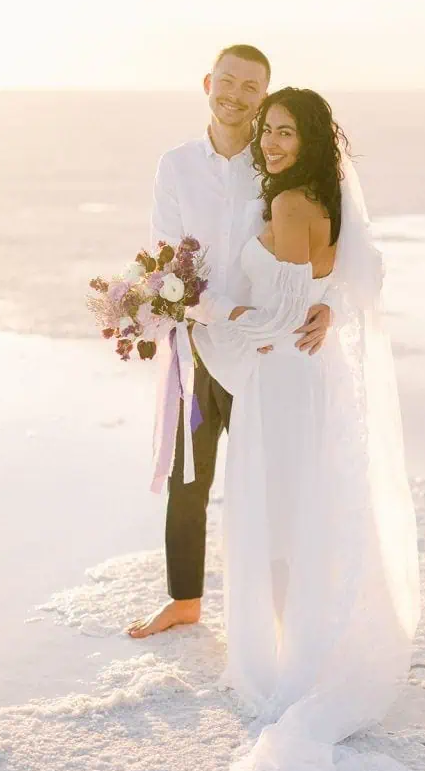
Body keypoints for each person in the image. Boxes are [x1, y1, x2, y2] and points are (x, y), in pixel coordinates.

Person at [190, 88, 421, 771]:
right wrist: (320, 302)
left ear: (312, 139)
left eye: (286, 132)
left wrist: (198, 311)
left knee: (282, 516)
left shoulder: (291, 204)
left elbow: (283, 312)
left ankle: (296, 664)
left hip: (286, 380)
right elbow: (338, 286)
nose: (271, 143)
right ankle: (309, 643)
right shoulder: (319, 199)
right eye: (267, 131)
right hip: (300, 375)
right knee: (297, 511)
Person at [126, 46, 336, 639]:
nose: (237, 95)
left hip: (267, 354)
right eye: (227, 82)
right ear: (207, 83)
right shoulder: (175, 165)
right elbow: (166, 259)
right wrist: (219, 311)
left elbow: (331, 239)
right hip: (197, 344)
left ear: (263, 95)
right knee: (188, 479)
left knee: (266, 479)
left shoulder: (275, 162)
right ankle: (184, 600)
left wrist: (331, 306)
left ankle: (278, 612)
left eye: (251, 87)